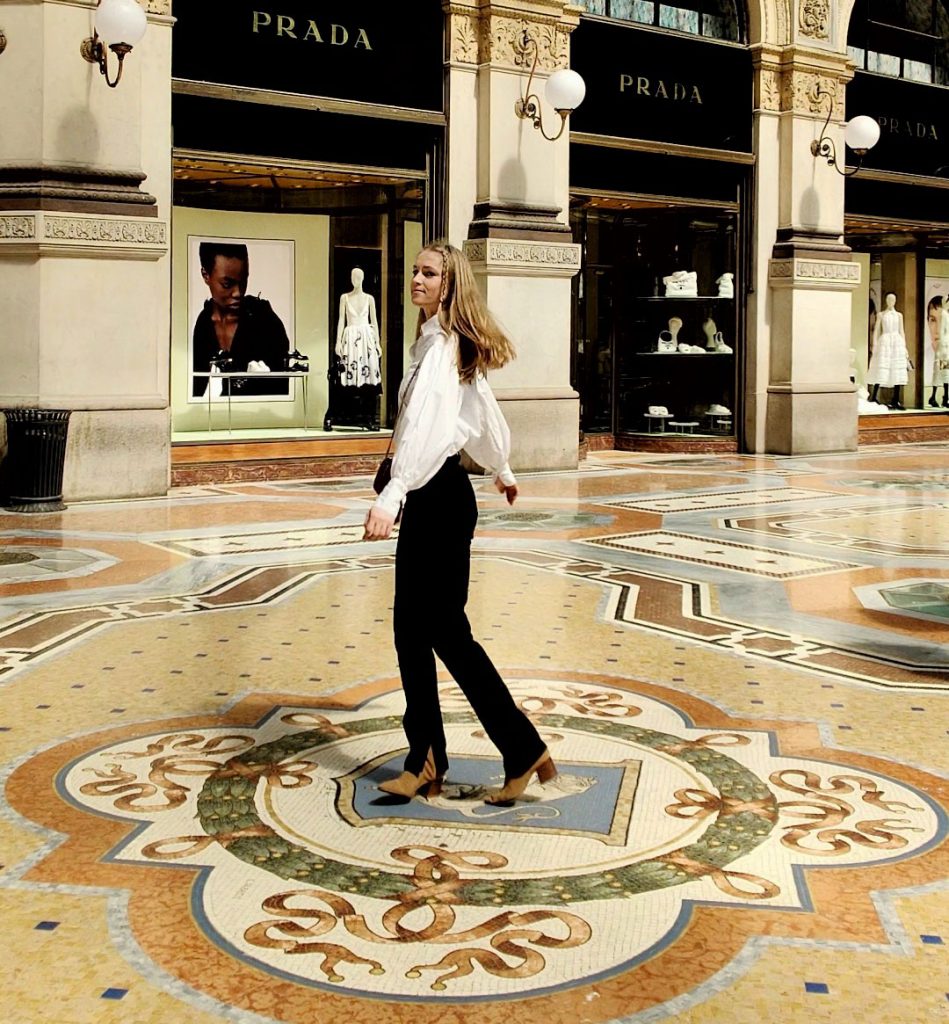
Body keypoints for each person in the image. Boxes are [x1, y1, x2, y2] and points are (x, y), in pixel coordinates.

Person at [362, 241, 554, 806]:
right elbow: (482, 412)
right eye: (414, 270)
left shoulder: (442, 348)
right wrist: (503, 467)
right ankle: (437, 757)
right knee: (423, 632)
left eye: (428, 273)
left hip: (432, 497)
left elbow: (425, 427)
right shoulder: (440, 344)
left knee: (438, 632)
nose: (416, 279)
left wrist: (393, 494)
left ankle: (507, 749)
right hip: (443, 498)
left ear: (449, 285)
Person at [192, 241, 292, 397]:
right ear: (206, 275)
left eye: (243, 281)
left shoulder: (265, 321)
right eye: (227, 284)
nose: (238, 292)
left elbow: (284, 388)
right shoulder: (202, 326)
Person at [866, 291, 908, 410]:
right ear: (886, 301)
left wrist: (904, 347)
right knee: (881, 366)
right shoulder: (881, 314)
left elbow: (902, 331)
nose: (891, 302)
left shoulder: (899, 315)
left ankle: (895, 399)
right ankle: (873, 396)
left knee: (896, 369)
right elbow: (876, 330)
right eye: (889, 299)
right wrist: (874, 344)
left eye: (893, 300)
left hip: (897, 342)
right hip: (884, 342)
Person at [926, 295, 949, 408]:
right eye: (933, 320)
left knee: (945, 373)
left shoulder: (946, 314)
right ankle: (938, 397)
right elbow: (942, 331)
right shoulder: (944, 315)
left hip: (945, 347)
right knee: (940, 372)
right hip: (943, 348)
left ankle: (943, 397)